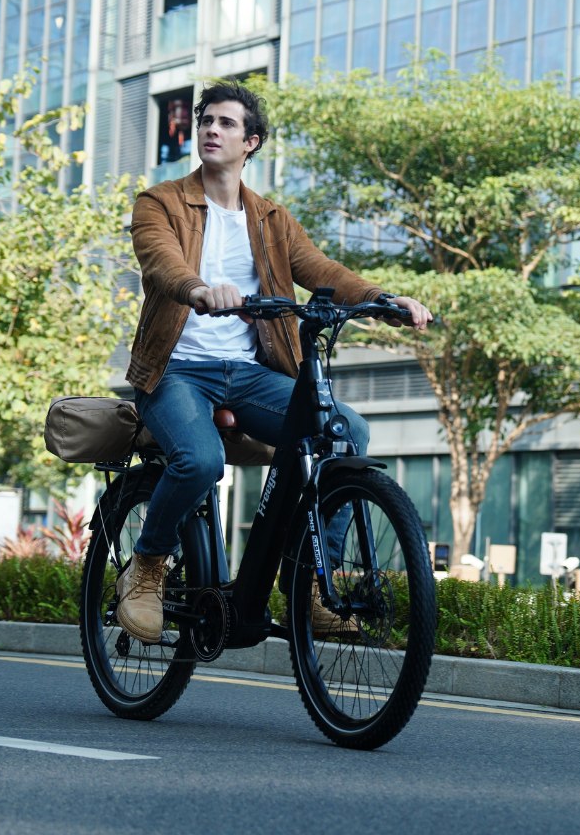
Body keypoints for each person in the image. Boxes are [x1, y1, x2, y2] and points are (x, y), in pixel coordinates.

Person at [118, 79, 432, 642]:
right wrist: (197, 289)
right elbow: (159, 262)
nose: (212, 130)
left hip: (249, 375)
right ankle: (146, 569)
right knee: (199, 462)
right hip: (176, 371)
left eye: (227, 124)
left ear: (251, 142)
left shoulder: (271, 220)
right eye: (206, 120)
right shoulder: (160, 202)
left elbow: (322, 271)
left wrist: (384, 301)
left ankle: (308, 583)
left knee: (343, 433)